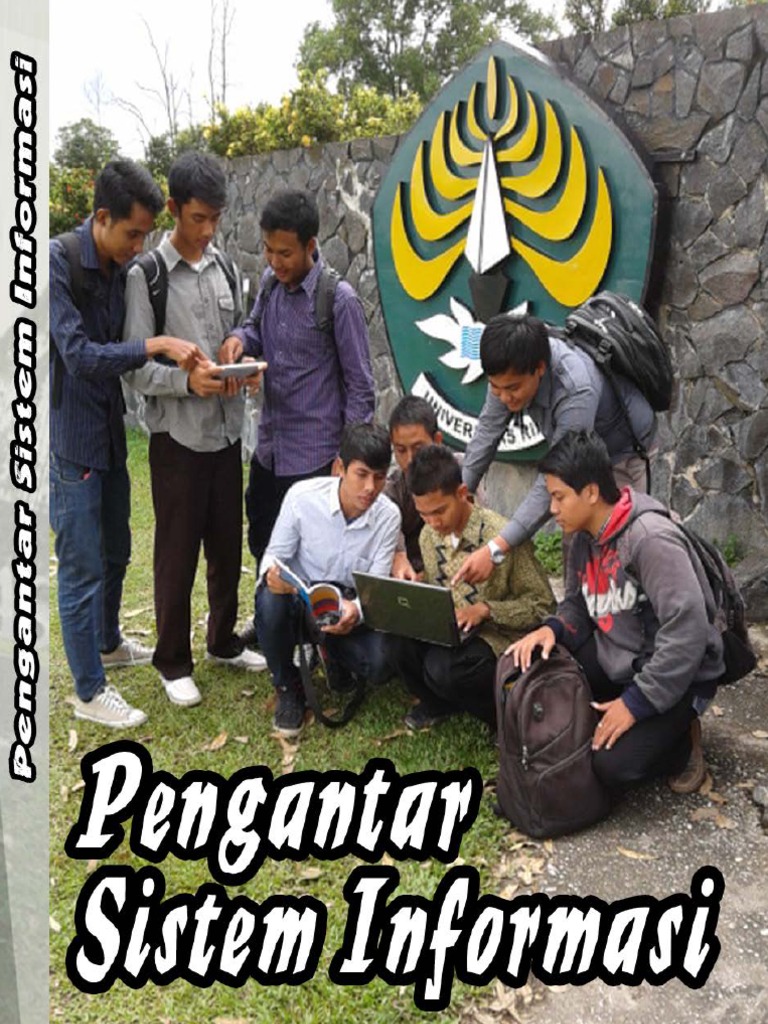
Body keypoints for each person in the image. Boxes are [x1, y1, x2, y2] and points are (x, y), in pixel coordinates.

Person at [50, 158, 202, 728]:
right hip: (71, 439)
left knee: (117, 549)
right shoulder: (56, 264)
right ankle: (89, 690)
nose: (139, 247)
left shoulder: (120, 268)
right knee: (81, 566)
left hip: (110, 432)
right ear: (101, 217)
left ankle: (109, 642)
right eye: (133, 234)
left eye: (144, 236)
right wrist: (153, 345)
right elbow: (79, 356)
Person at [123, 152, 266, 709]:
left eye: (216, 219)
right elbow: (136, 368)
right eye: (198, 218)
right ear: (174, 208)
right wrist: (189, 383)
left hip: (228, 435)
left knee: (227, 546)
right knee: (177, 555)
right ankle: (173, 661)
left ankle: (223, 641)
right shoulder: (148, 276)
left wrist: (238, 353)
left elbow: (238, 328)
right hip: (177, 441)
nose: (208, 230)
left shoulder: (224, 265)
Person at [508, 430, 723, 794]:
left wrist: (635, 704)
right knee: (546, 672)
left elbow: (688, 632)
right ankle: (631, 712)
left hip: (679, 673)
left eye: (559, 497)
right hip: (622, 655)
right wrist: (553, 629)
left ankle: (683, 742)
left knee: (613, 766)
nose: (553, 509)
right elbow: (578, 604)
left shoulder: (650, 539)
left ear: (591, 492)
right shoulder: (580, 538)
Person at [218, 189, 375, 645]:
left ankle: (314, 635)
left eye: (284, 252)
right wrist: (239, 341)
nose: (274, 261)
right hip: (270, 447)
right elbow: (254, 328)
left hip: (316, 456)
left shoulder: (338, 300)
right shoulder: (270, 284)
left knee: (312, 554)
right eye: (268, 250)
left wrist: (347, 461)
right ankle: (269, 622)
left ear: (310, 245)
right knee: (266, 538)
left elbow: (361, 387)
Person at [454, 313, 656, 585]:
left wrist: (495, 549)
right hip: (578, 455)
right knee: (574, 545)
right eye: (495, 388)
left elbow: (560, 477)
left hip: (622, 453)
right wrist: (459, 495)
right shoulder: (509, 372)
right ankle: (575, 607)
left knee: (617, 548)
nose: (504, 397)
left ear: (539, 368)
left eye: (512, 388)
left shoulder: (576, 389)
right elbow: (487, 432)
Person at [395, 444, 555, 730]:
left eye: (439, 511)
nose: (433, 522)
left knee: (445, 669)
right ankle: (438, 704)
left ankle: (504, 719)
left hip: (498, 636)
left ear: (461, 493)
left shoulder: (502, 537)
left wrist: (486, 610)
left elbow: (543, 606)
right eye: (423, 514)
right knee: (396, 638)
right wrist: (419, 591)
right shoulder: (428, 536)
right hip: (454, 633)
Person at [256, 423, 400, 738]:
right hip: (299, 597)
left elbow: (374, 589)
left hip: (344, 604)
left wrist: (356, 611)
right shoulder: (302, 497)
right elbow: (274, 556)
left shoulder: (388, 516)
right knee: (269, 599)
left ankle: (332, 653)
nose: (370, 488)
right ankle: (287, 685)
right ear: (339, 469)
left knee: (381, 664)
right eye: (361, 474)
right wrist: (275, 578)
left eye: (379, 477)